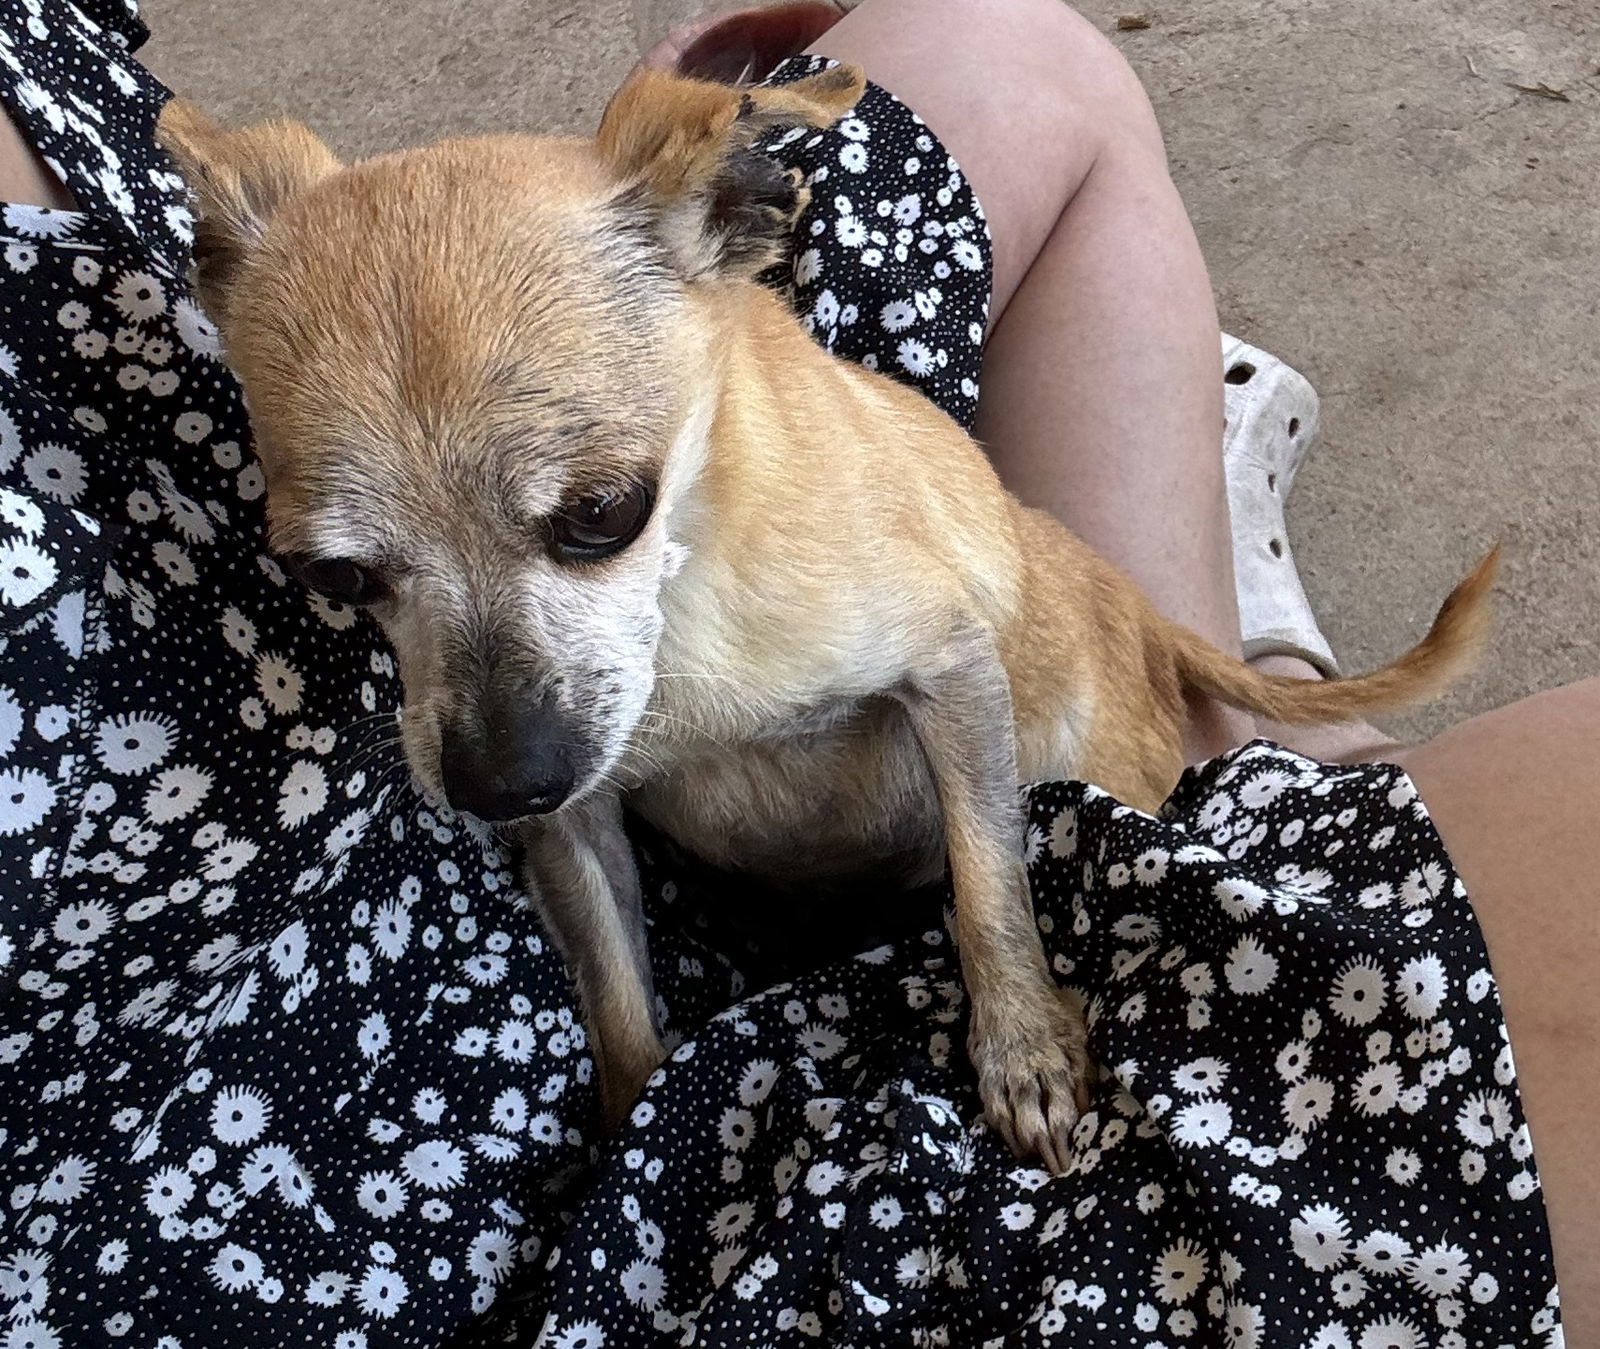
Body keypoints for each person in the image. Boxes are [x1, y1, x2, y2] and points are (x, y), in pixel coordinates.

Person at [0, 0, 1589, 1343]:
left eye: (591, 518)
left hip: (788, 577)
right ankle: (1246, 676)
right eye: (355, 577)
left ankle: (1220, 683)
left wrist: (1006, 970)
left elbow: (947, 661)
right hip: (297, 1107)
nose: (492, 724)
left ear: (736, 220)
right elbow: (539, 771)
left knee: (1014, 41)